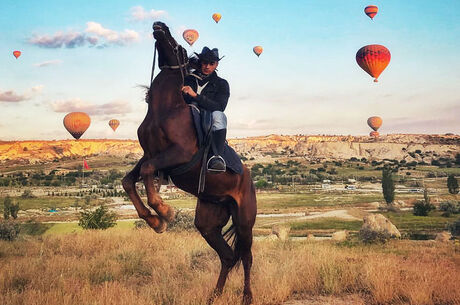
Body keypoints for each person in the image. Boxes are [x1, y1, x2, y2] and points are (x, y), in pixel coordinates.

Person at [181, 47, 229, 172]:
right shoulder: (187, 79)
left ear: (216, 64)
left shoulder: (222, 83)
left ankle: (216, 156)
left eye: (211, 63)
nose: (207, 66)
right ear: (200, 62)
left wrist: (195, 96)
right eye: (204, 63)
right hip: (186, 113)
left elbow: (219, 106)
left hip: (209, 116)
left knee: (219, 115)